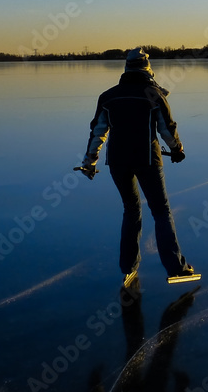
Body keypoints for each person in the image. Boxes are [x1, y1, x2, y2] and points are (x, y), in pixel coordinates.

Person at [77, 47, 196, 287]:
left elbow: (98, 132)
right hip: (148, 159)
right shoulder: (154, 94)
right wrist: (177, 150)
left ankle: (128, 267)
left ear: (126, 68)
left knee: (131, 210)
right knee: (161, 211)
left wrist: (89, 162)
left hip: (118, 161)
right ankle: (177, 268)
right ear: (148, 69)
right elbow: (166, 128)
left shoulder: (108, 96)